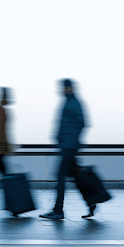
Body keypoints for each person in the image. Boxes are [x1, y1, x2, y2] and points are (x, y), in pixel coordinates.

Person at [40, 79, 86, 221]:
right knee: (77, 177)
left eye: (64, 87)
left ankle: (58, 210)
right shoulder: (69, 102)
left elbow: (82, 123)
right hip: (67, 146)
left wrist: (69, 140)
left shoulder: (73, 103)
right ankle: (92, 202)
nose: (61, 90)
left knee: (61, 177)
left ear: (69, 88)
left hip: (68, 147)